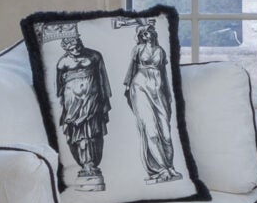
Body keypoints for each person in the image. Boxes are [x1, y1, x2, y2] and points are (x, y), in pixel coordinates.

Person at [50, 25, 111, 191]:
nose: (76, 48)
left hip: (92, 100)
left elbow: (103, 79)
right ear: (65, 48)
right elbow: (58, 89)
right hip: (73, 103)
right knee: (78, 133)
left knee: (93, 132)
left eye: (77, 44)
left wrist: (104, 99)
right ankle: (85, 164)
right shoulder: (62, 62)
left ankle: (91, 164)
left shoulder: (94, 56)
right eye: (71, 47)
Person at [123, 16, 183, 182]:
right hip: (140, 87)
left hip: (158, 91)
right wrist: (127, 89)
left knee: (166, 133)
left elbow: (164, 74)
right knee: (151, 130)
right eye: (144, 33)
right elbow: (131, 69)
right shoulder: (138, 50)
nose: (147, 35)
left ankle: (170, 166)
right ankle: (161, 169)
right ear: (141, 35)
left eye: (149, 32)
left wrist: (169, 94)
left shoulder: (161, 51)